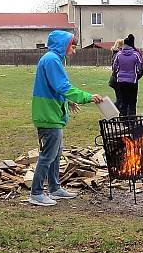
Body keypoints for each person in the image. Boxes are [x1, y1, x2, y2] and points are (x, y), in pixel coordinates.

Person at [29, 30, 103, 206]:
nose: (74, 51)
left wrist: (67, 102)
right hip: (48, 115)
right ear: (64, 45)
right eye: (73, 46)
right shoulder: (52, 60)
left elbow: (52, 88)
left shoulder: (52, 59)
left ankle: (55, 188)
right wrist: (87, 97)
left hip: (52, 112)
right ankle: (36, 192)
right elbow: (63, 86)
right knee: (48, 155)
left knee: (55, 154)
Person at [112, 33, 143, 117]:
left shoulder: (118, 54)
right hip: (132, 80)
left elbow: (114, 67)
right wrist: (137, 75)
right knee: (132, 101)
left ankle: (123, 118)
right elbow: (140, 67)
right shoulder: (136, 54)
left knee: (123, 101)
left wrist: (118, 73)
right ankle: (132, 120)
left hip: (121, 81)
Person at [109, 39, 124, 112]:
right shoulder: (118, 54)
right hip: (116, 80)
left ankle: (112, 112)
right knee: (120, 99)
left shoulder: (116, 53)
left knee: (120, 98)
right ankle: (110, 112)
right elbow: (115, 68)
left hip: (114, 79)